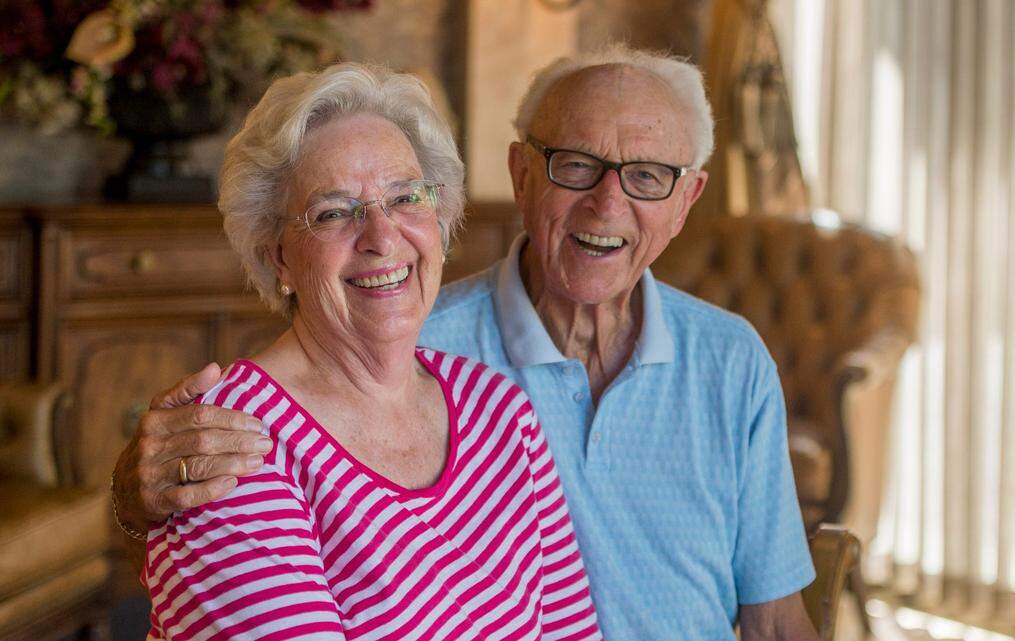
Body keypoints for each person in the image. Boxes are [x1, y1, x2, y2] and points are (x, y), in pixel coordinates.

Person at [115, 47, 818, 640]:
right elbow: (230, 464)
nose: (607, 204)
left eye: (646, 176)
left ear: (687, 198)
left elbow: (770, 613)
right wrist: (133, 494)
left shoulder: (506, 402)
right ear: (520, 174)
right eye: (576, 165)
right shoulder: (367, 364)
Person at [139, 62, 601, 640]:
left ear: (441, 219)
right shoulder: (232, 442)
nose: (383, 238)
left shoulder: (499, 408)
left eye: (406, 198)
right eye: (333, 212)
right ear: (278, 255)